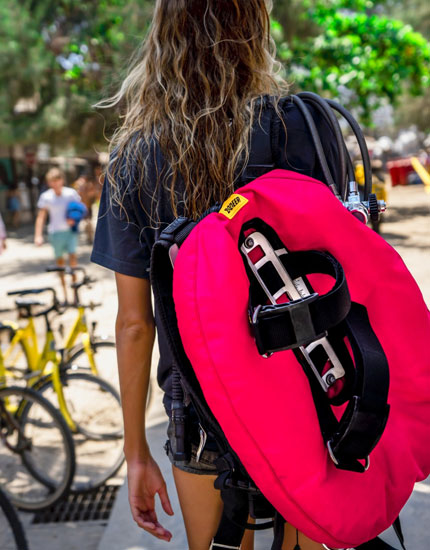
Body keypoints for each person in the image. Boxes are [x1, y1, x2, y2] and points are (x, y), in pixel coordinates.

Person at [91, 2, 338, 549]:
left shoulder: (134, 157)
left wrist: (136, 453)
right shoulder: (302, 125)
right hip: (305, 386)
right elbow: (342, 265)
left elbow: (135, 324)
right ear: (254, 28)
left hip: (198, 402)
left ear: (163, 36)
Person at [35, 167, 82, 303]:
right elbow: (41, 217)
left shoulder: (71, 193)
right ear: (49, 182)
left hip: (70, 232)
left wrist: (74, 219)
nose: (55, 183)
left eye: (57, 180)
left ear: (62, 180)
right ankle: (65, 295)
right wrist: (38, 235)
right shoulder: (46, 196)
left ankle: (75, 294)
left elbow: (79, 209)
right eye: (52, 181)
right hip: (55, 233)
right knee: (60, 265)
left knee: (73, 261)